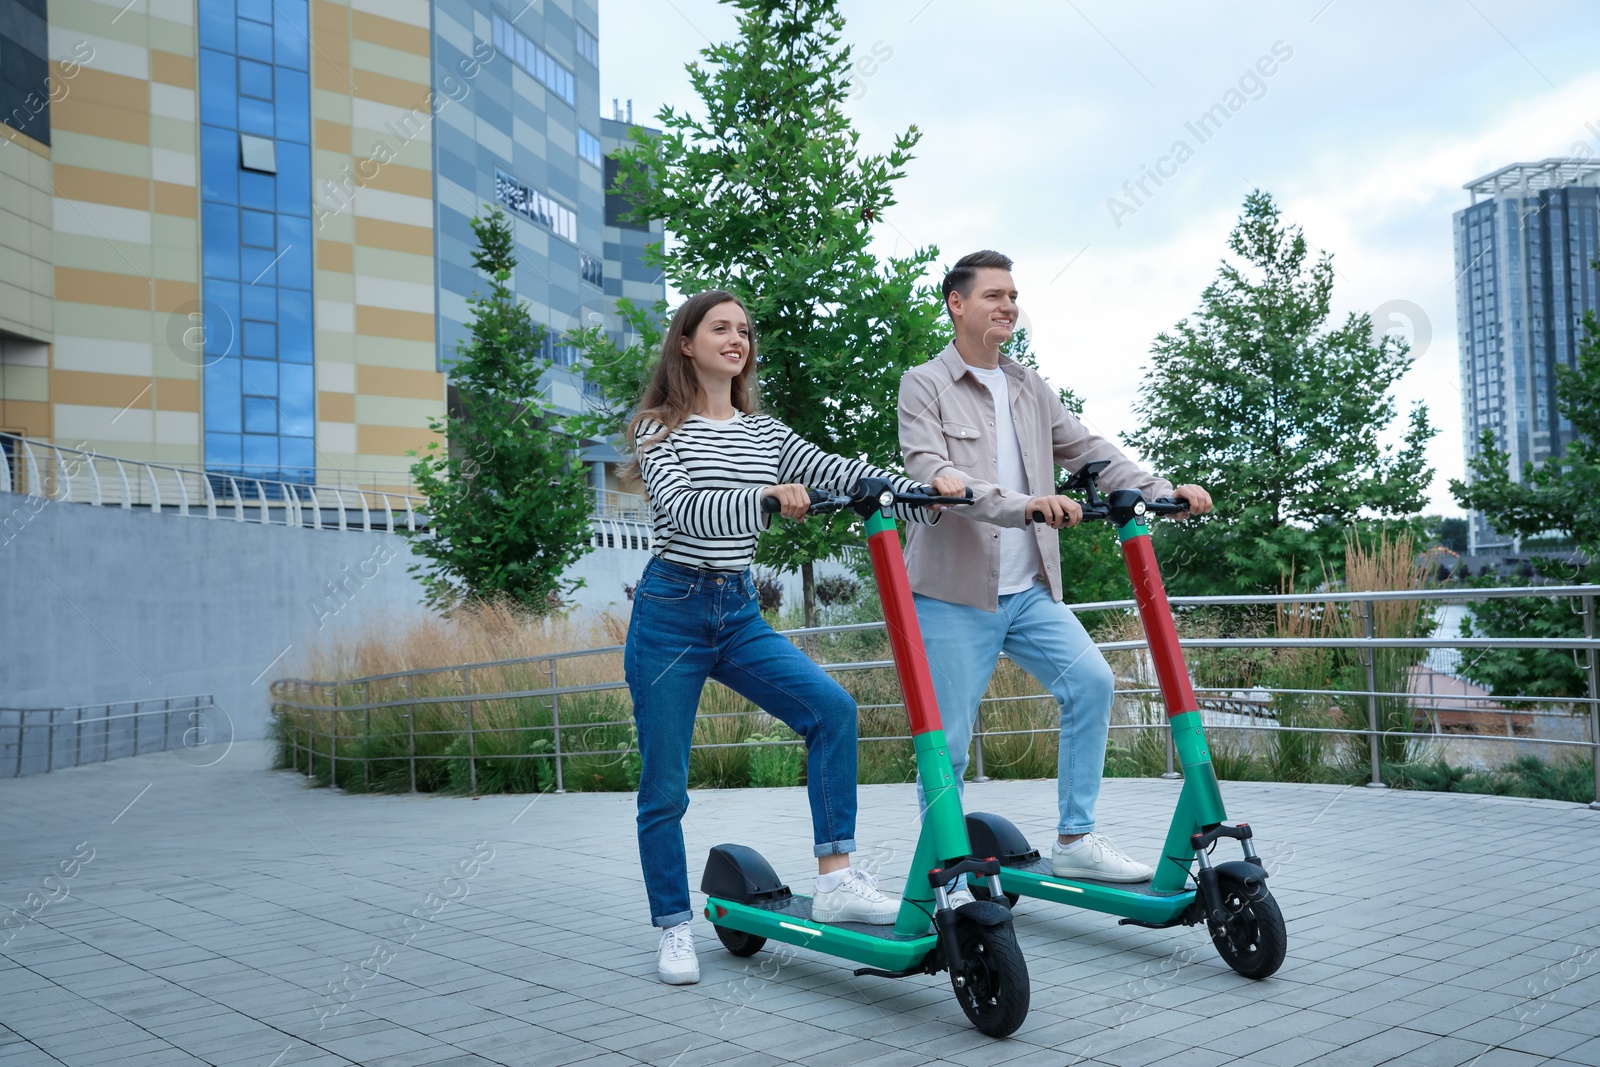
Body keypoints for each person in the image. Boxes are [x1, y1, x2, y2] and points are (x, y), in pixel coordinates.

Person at [625, 289, 943, 985]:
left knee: (830, 709)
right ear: (686, 342)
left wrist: (912, 491)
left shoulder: (764, 432)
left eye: (743, 330)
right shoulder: (657, 428)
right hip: (671, 613)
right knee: (665, 786)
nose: (736, 339)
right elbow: (684, 509)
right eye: (720, 328)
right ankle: (674, 925)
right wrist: (766, 497)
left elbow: (832, 466)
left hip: (735, 612)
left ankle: (835, 879)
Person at [898, 250, 1214, 899]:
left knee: (1093, 683)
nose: (1008, 305)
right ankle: (947, 878)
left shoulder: (1027, 386)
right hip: (955, 595)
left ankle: (1075, 841)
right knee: (947, 747)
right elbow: (932, 468)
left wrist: (1161, 491)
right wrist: (1024, 505)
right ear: (957, 303)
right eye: (994, 295)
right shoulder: (923, 383)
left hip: (1030, 591)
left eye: (1013, 295)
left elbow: (1092, 452)